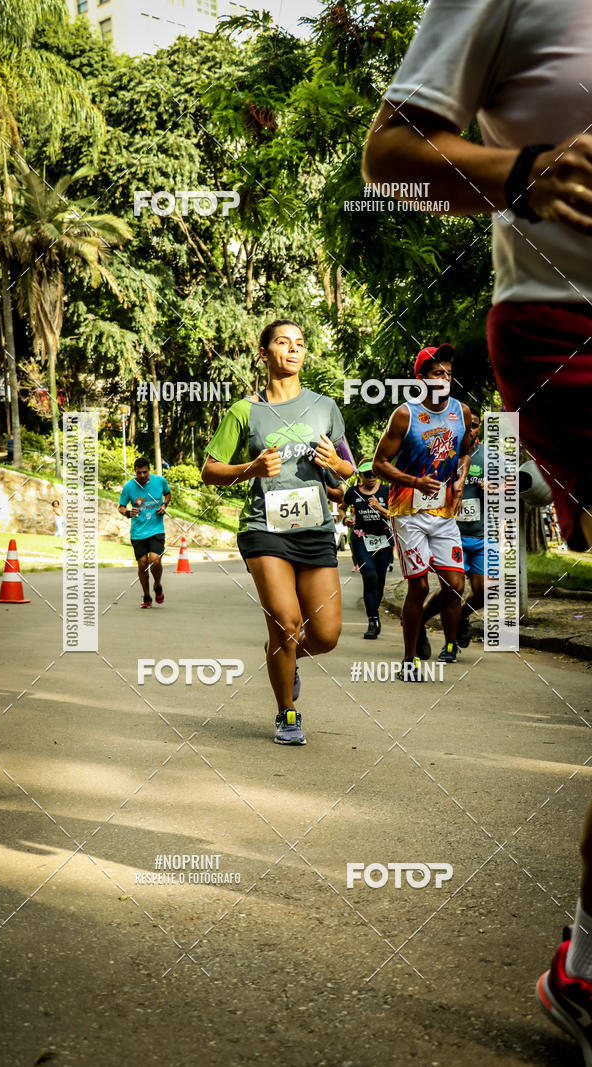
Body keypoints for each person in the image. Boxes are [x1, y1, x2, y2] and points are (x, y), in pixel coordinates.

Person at [363, 2, 592, 1056]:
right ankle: (421, 655)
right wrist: (520, 170)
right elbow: (390, 154)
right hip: (566, 323)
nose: (437, 378)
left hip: (456, 499)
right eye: (433, 375)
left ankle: (586, 961)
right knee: (428, 589)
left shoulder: (451, 414)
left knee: (452, 588)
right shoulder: (415, 413)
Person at [201, 319, 354, 745]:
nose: (293, 350)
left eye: (300, 344)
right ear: (264, 353)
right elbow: (209, 471)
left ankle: (284, 658)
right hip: (264, 529)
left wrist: (336, 466)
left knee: (324, 636)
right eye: (283, 343)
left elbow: (350, 472)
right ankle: (287, 712)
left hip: (316, 528)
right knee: (286, 625)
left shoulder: (325, 407)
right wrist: (249, 469)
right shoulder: (244, 411)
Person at [373, 345, 471, 676]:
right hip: (408, 509)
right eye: (437, 373)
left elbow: (466, 453)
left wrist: (460, 478)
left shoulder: (463, 412)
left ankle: (422, 620)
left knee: (456, 586)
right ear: (421, 379)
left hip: (444, 511)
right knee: (420, 586)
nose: (445, 378)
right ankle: (409, 660)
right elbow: (379, 464)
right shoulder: (405, 415)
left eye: (448, 372)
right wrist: (415, 481)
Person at [338, 460, 394, 639]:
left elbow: (396, 514)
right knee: (369, 575)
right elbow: (342, 508)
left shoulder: (387, 491)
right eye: (367, 474)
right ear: (360, 476)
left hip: (384, 540)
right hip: (361, 539)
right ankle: (372, 620)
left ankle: (374, 612)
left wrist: (378, 507)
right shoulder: (353, 492)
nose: (371, 477)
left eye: (373, 473)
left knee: (379, 581)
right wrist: (345, 519)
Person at [455, 412, 489, 649]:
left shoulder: (489, 455)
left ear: (479, 428)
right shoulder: (445, 453)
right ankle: (449, 644)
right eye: (465, 425)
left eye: (474, 426)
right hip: (451, 535)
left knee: (484, 592)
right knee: (453, 590)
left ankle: (461, 616)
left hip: (481, 535)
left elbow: (514, 483)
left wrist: (494, 487)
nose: (470, 429)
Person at [118, 457, 171, 608]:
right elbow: (121, 507)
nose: (142, 476)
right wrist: (128, 512)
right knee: (142, 564)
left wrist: (164, 505)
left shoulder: (160, 481)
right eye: (139, 473)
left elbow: (168, 494)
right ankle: (147, 596)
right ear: (135, 471)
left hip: (156, 530)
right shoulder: (129, 487)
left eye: (145, 472)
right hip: (138, 532)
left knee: (155, 560)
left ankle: (158, 585)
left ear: (149, 470)